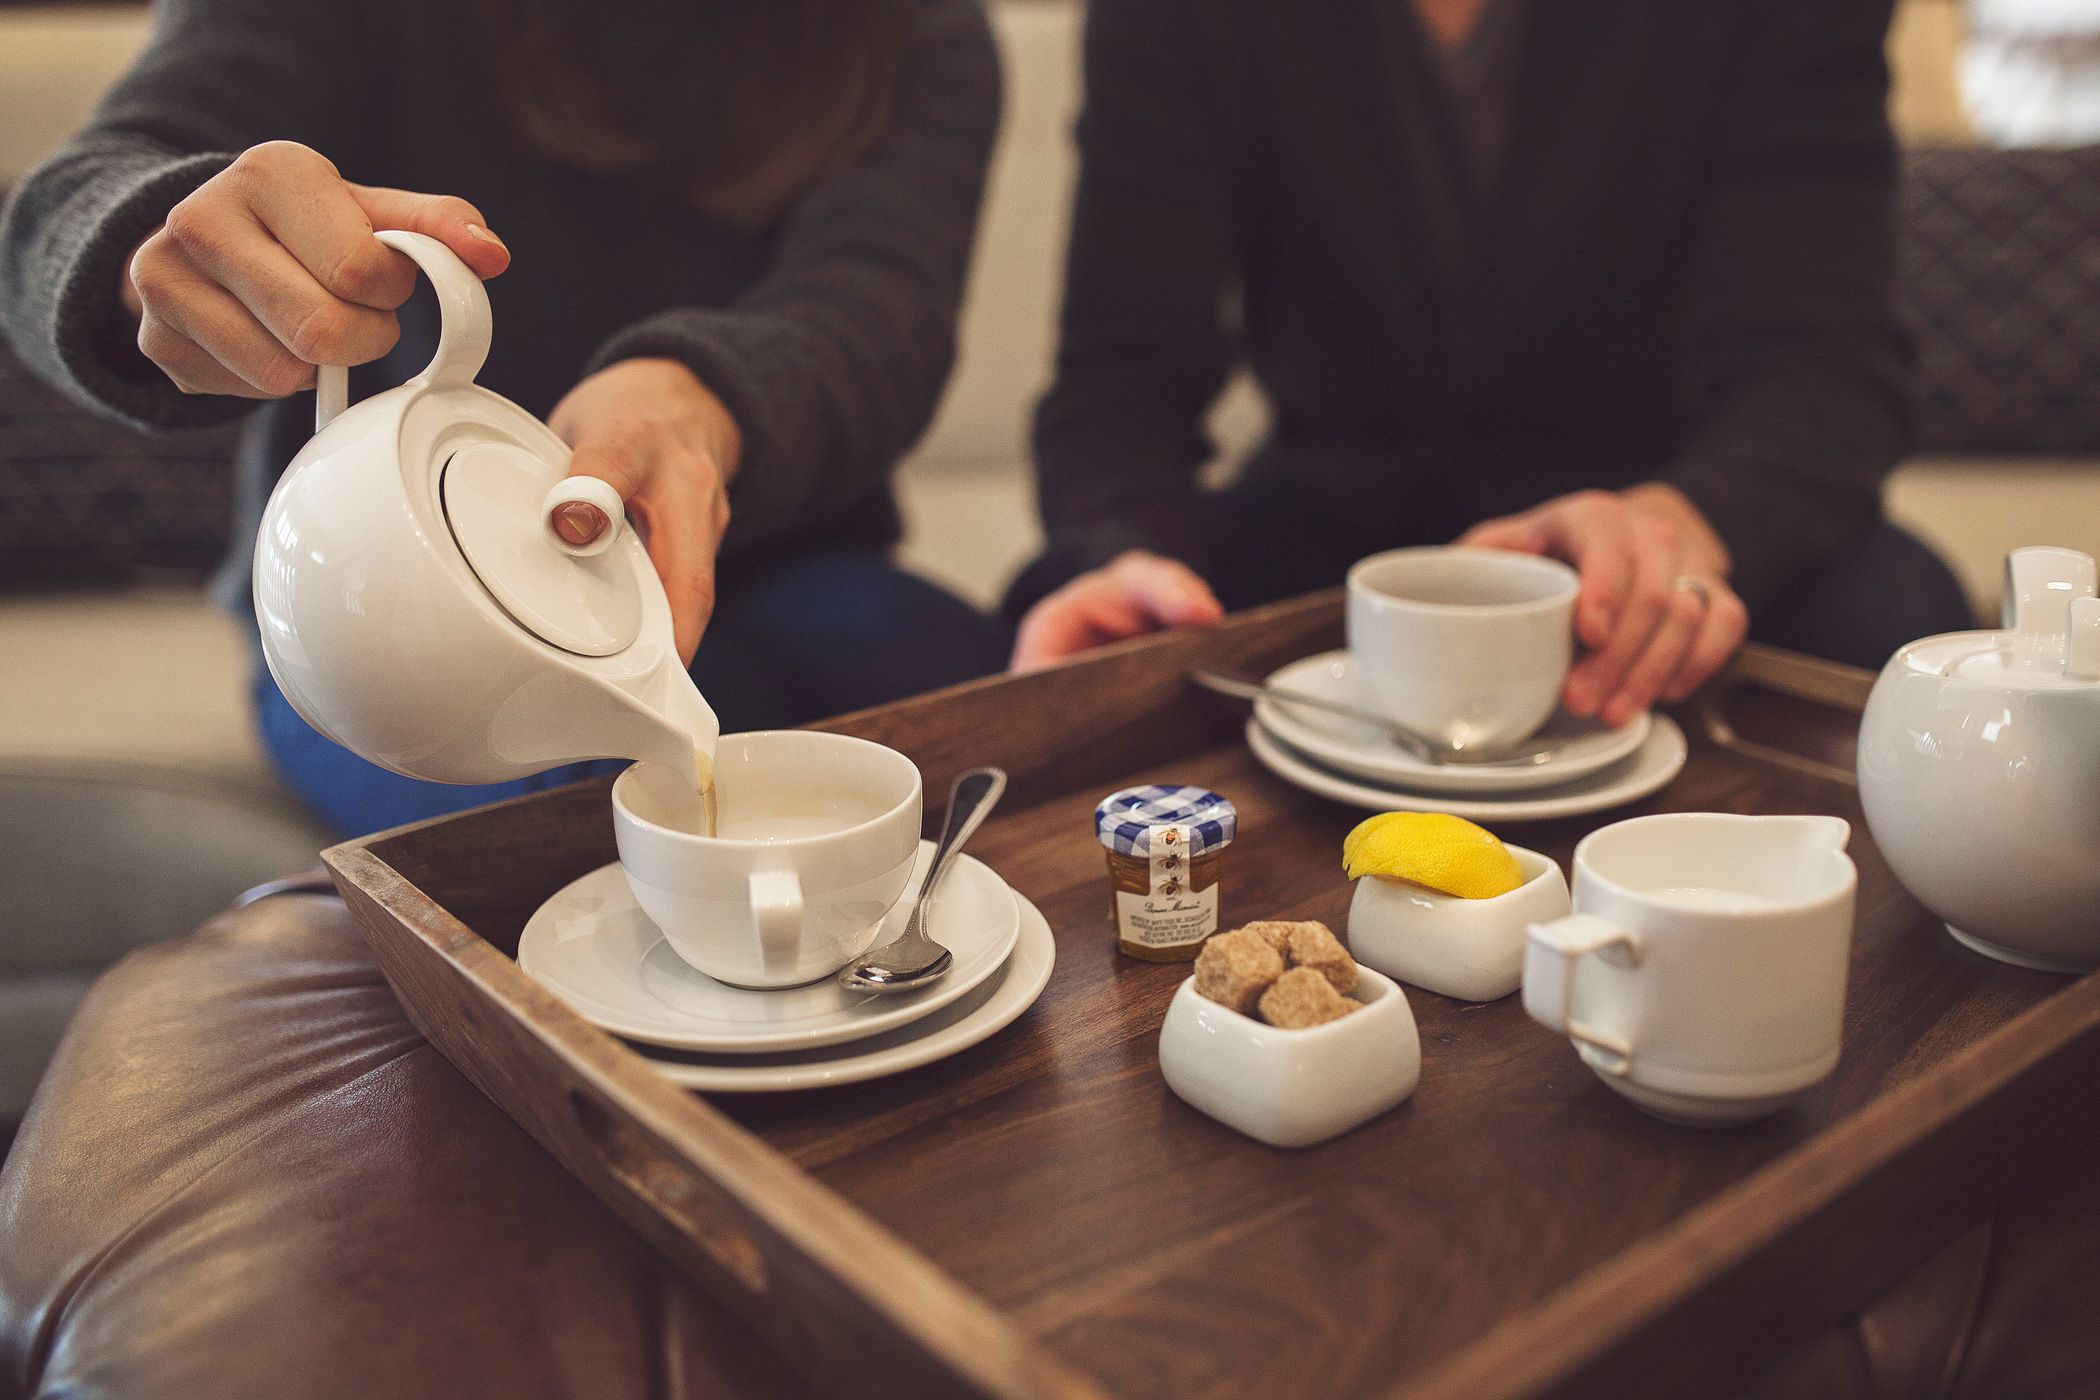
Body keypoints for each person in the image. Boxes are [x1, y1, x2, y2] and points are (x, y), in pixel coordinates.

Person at [0, 0, 1006, 835]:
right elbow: (60, 212)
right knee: (576, 827)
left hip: (776, 558)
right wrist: (155, 248)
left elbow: (881, 312)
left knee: (987, 720)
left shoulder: (913, 31)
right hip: (389, 622)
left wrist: (695, 396)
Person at [1007, 0, 1975, 724]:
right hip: (1336, 528)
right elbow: (1118, 382)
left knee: (1898, 617)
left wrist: (1678, 522)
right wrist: (1128, 550)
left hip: (1650, 523)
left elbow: (1827, 362)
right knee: (1061, 624)